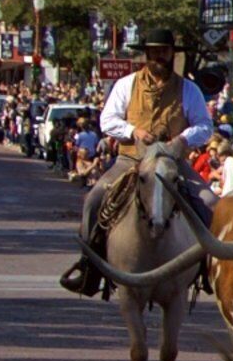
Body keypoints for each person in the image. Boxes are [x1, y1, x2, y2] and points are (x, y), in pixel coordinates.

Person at [59, 38, 217, 296]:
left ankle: (211, 269)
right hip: (131, 160)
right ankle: (90, 269)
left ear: (171, 54)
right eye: (154, 52)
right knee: (93, 201)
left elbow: (204, 125)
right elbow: (108, 120)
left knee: (211, 203)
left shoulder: (188, 89)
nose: (159, 56)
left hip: (171, 162)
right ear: (146, 55)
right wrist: (133, 131)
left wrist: (183, 139)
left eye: (164, 51)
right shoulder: (126, 85)